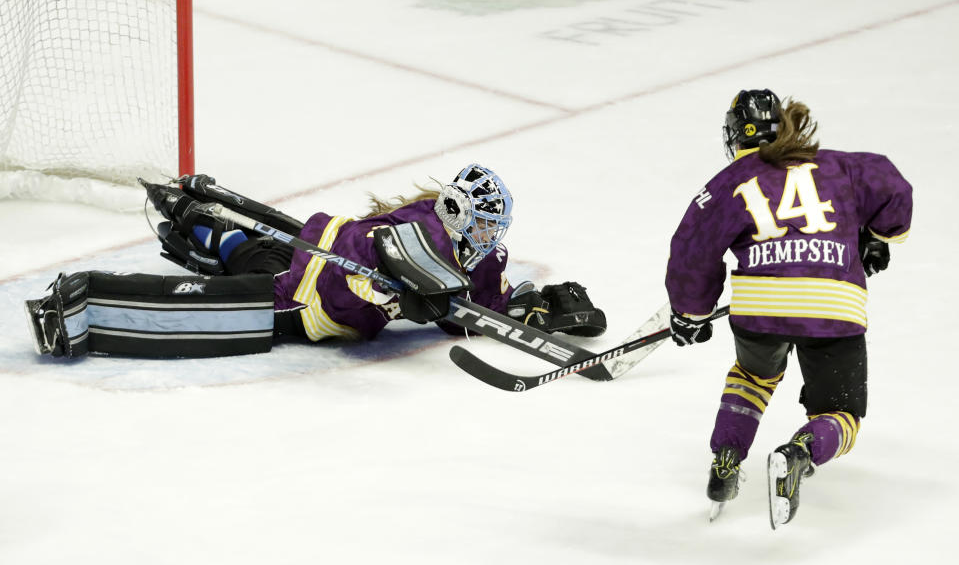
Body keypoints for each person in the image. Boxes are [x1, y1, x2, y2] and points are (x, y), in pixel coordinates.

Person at [24, 164, 606, 359]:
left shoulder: (476, 252)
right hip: (310, 293)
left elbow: (463, 311)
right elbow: (402, 264)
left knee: (249, 252)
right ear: (454, 211)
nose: (488, 235)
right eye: (480, 223)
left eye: (492, 226)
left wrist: (524, 307)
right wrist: (419, 294)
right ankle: (83, 307)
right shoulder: (420, 226)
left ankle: (199, 222)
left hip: (301, 261)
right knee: (218, 309)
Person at [664, 89, 912, 528]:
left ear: (734, 134)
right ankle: (799, 452)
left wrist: (691, 312)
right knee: (842, 413)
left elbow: (692, 250)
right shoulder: (839, 165)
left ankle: (726, 458)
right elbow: (892, 184)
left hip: (761, 305)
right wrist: (877, 234)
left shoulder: (728, 182)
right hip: (835, 304)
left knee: (753, 375)